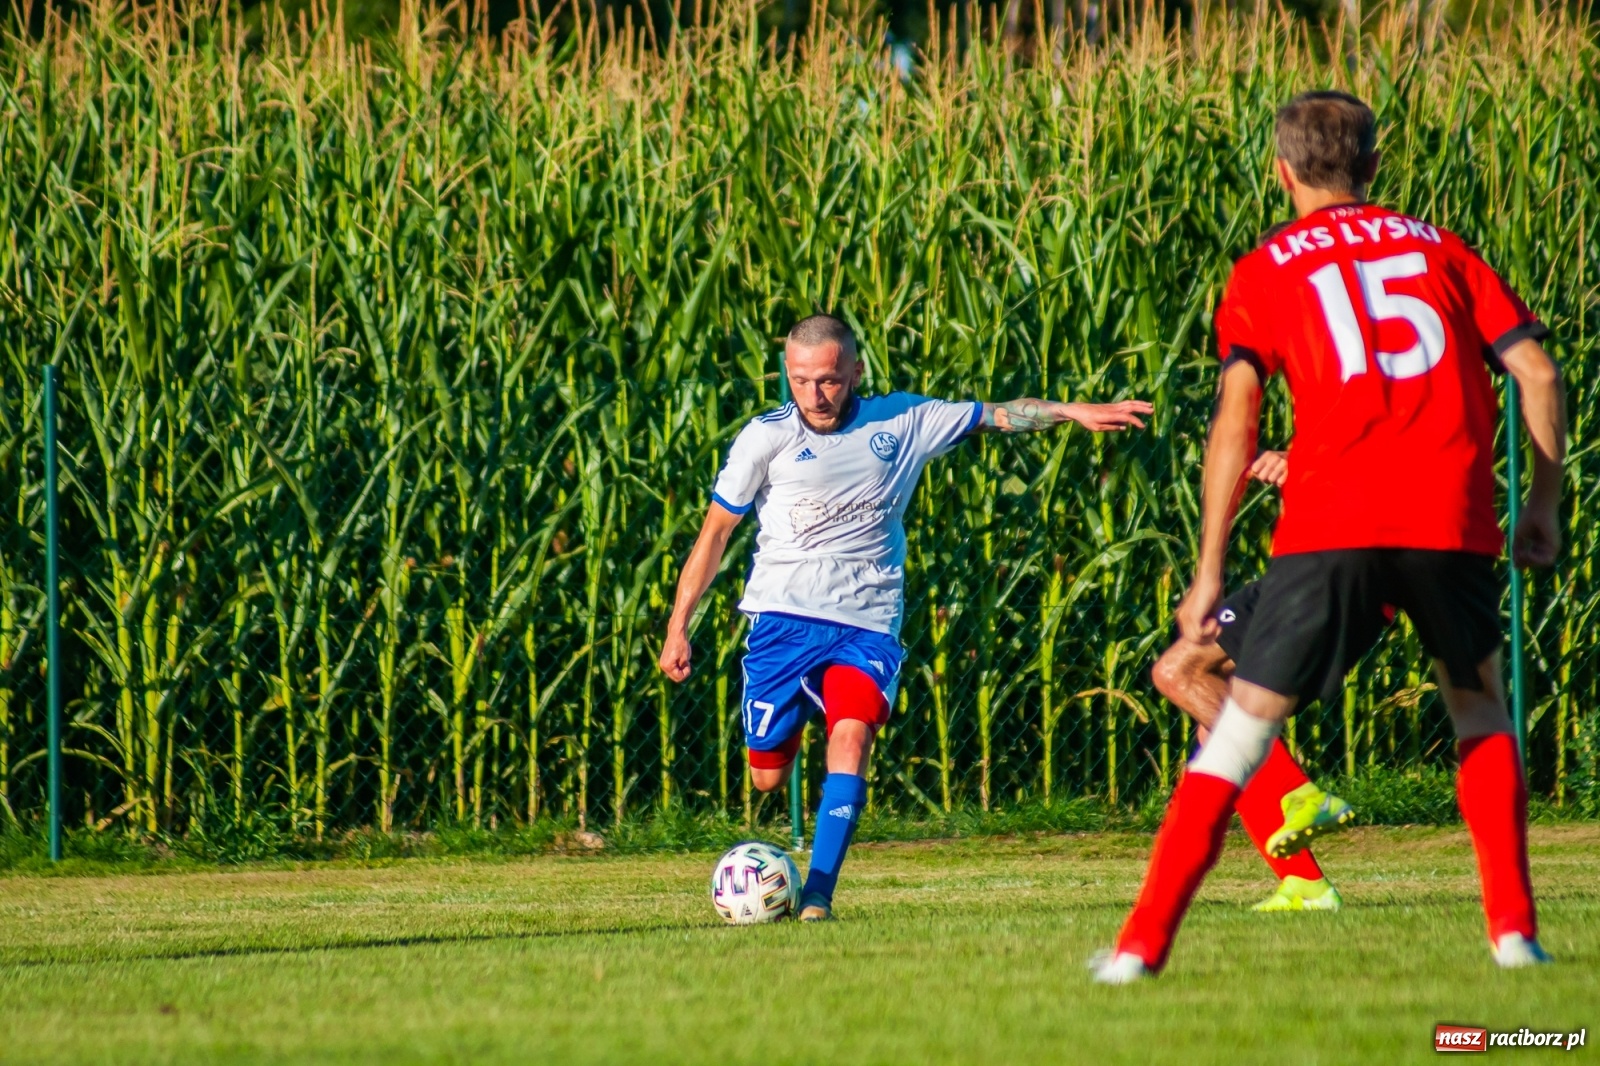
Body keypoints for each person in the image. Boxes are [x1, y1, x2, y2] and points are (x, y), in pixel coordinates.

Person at [1093, 90, 1567, 983]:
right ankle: (1513, 935)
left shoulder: (1268, 265)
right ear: (1374, 168)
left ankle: (1137, 950)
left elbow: (1238, 415)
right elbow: (1536, 371)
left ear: (1282, 172)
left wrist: (1208, 569)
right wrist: (1542, 504)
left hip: (1331, 525)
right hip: (1449, 520)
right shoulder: (1443, 249)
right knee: (1478, 712)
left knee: (1235, 732)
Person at [659, 313, 1153, 921]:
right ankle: (793, 735)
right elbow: (713, 537)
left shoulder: (904, 419)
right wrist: (678, 624)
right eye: (801, 379)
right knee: (765, 776)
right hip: (781, 622)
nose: (816, 394)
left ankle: (817, 896)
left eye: (831, 380)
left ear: (856, 372)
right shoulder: (765, 438)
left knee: (852, 736)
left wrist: (1072, 411)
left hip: (866, 623)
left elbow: (996, 413)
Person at [1150, 449, 1355, 914]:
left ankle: (1300, 793)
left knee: (1177, 671)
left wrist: (1303, 464)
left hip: (1324, 572)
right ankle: (1306, 885)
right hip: (1309, 570)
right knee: (1212, 724)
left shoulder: (1386, 388)